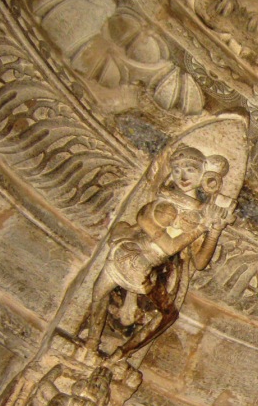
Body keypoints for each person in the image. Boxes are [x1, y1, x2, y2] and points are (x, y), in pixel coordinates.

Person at [83, 147, 232, 358]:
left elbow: (199, 263)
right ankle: (111, 350)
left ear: (204, 174)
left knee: (99, 295)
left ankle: (96, 345)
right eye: (177, 169)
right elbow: (167, 245)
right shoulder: (166, 204)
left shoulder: (196, 213)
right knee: (164, 314)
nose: (183, 176)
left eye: (190, 169)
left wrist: (215, 230)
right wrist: (204, 226)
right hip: (135, 261)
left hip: (136, 261)